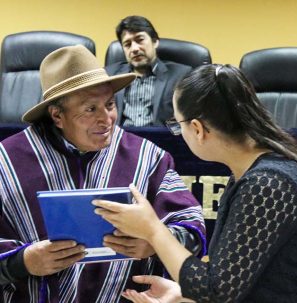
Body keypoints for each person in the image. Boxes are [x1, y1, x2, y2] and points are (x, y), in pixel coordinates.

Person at [94, 64, 297, 302]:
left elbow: (217, 293)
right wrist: (183, 294)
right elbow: (235, 279)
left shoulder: (266, 184)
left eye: (177, 124)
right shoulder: (259, 174)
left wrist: (153, 229)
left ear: (197, 128)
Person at [0, 45, 205, 302]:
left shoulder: (148, 158)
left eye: (109, 104)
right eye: (90, 109)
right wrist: (22, 262)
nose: (106, 119)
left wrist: (157, 242)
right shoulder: (6, 162)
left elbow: (192, 227)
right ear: (57, 116)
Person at [105, 15, 192, 127]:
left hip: (161, 140)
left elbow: (188, 119)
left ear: (155, 42)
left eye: (139, 40)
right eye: (127, 44)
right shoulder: (110, 75)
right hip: (122, 140)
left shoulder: (181, 75)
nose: (134, 49)